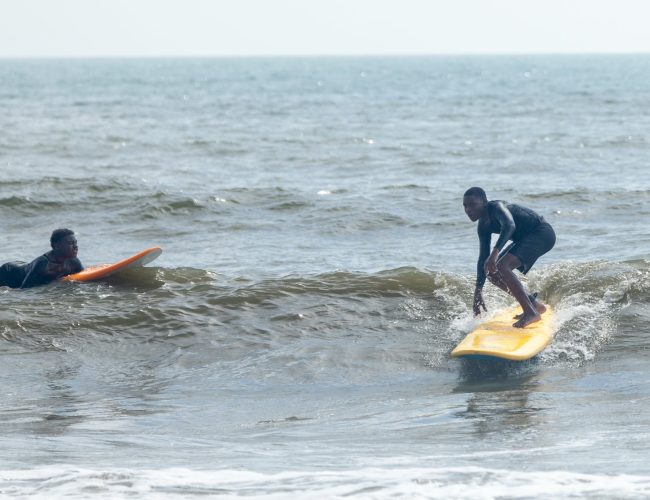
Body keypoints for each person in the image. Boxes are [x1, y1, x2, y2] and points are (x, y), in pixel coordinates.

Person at [463, 187, 556, 328]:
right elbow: (483, 258)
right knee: (491, 271)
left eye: (472, 204)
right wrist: (478, 291)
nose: (468, 209)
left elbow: (509, 225)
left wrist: (494, 255)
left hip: (542, 233)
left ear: (484, 202)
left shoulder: (497, 207)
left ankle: (531, 313)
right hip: (524, 239)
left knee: (501, 265)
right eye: (465, 206)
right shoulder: (483, 226)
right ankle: (534, 305)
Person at [0, 228, 83, 288]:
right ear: (55, 245)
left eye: (75, 242)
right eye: (70, 243)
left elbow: (85, 277)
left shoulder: (74, 262)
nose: (75, 246)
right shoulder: (42, 264)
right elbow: (24, 289)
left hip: (25, 266)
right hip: (9, 272)